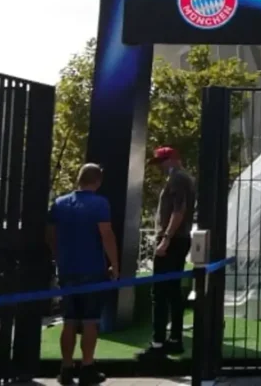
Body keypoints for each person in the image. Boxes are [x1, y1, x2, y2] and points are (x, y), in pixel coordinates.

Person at [46, 163, 119, 386]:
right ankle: (87, 367)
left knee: (69, 320)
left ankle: (66, 368)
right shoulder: (100, 203)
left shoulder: (60, 203)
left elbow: (50, 233)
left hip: (67, 268)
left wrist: (58, 255)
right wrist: (115, 264)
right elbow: (106, 234)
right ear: (98, 181)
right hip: (92, 269)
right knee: (90, 321)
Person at [137, 146, 197, 361]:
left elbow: (178, 210)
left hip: (173, 240)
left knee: (160, 293)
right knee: (172, 291)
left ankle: (159, 343)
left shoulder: (178, 179)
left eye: (162, 162)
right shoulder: (184, 178)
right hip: (179, 239)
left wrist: (166, 238)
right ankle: (175, 339)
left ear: (172, 159)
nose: (160, 167)